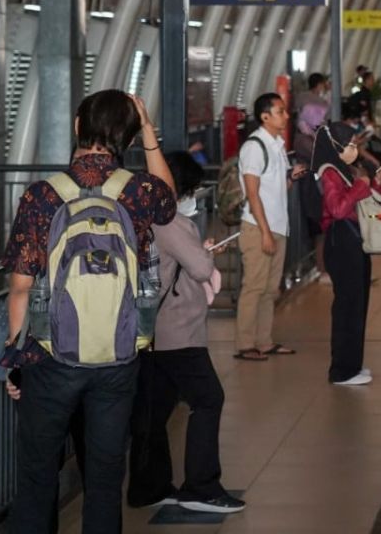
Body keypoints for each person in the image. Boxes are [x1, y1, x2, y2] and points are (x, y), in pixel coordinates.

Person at [3, 90, 176, 534]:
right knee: (103, 479)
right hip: (119, 356)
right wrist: (150, 136)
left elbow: (21, 287)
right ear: (130, 136)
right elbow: (169, 201)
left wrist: (16, 362)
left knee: (38, 477)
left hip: (48, 356)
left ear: (78, 126)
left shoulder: (43, 195)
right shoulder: (136, 192)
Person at [128, 152, 243, 515]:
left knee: (154, 411)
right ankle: (201, 486)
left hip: (150, 331)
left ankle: (149, 486)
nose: (193, 195)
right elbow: (198, 266)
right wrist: (204, 252)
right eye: (190, 188)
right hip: (177, 330)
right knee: (208, 398)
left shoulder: (139, 216)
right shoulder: (170, 220)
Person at [234, 93, 306, 361]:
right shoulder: (254, 147)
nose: (286, 116)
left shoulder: (276, 144)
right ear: (265, 117)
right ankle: (244, 344)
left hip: (277, 226)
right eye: (280, 111)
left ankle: (263, 341)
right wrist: (264, 232)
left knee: (269, 289)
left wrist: (291, 178)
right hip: (258, 227)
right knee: (254, 287)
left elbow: (275, 187)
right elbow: (252, 194)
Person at [318, 122, 381, 385]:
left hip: (356, 240)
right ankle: (341, 370)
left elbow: (368, 196)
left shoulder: (347, 170)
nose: (354, 149)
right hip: (342, 243)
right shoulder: (329, 173)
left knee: (358, 304)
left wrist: (377, 183)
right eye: (349, 145)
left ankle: (353, 364)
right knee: (347, 306)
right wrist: (361, 185)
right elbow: (337, 208)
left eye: (355, 144)